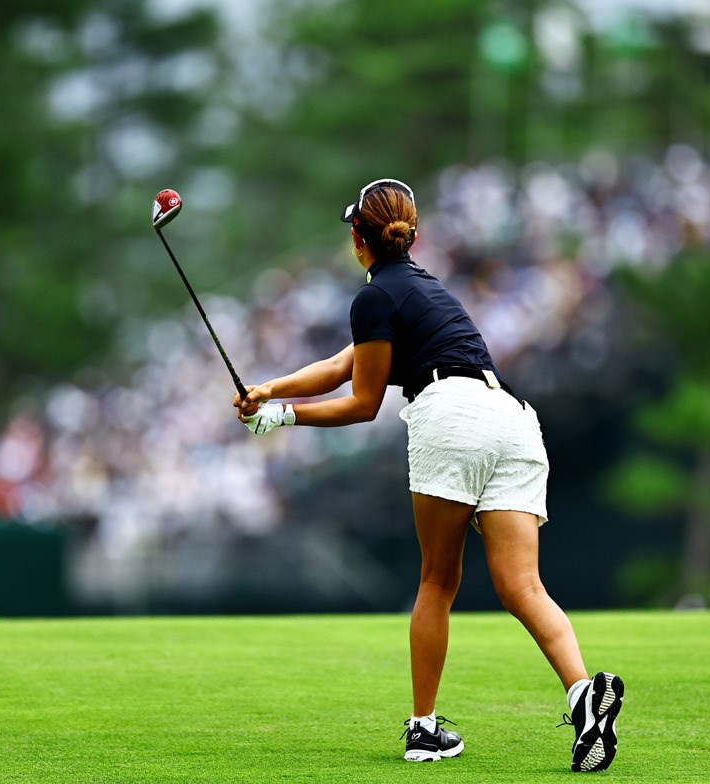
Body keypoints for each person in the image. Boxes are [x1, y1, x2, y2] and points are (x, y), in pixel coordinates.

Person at [234, 178, 624, 772]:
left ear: (359, 240)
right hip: (513, 419)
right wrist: (271, 390)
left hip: (451, 416)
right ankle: (581, 696)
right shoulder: (426, 290)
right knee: (523, 586)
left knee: (438, 583)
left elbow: (362, 401)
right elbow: (344, 363)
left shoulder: (372, 298)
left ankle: (423, 729)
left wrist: (283, 417)